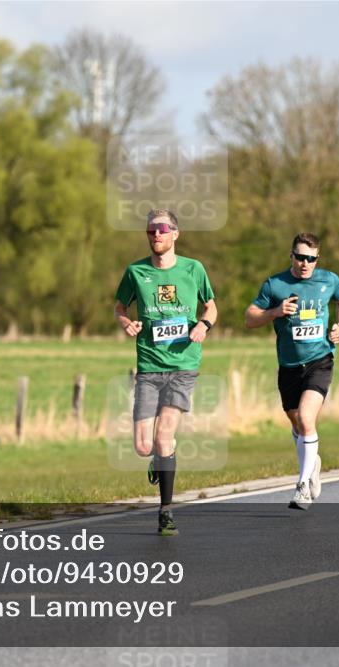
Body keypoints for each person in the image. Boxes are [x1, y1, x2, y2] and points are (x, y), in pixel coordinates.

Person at [114, 209, 217, 535]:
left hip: (183, 366)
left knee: (164, 436)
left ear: (175, 233)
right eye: (150, 230)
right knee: (145, 446)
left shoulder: (193, 269)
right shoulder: (136, 272)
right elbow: (119, 306)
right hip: (148, 366)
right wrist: (127, 322)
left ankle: (166, 511)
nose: (155, 234)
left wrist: (204, 324)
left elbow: (211, 305)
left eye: (161, 229)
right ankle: (159, 458)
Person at [244, 232, 339, 510]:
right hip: (289, 366)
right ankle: (312, 463)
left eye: (311, 259)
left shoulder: (328, 280)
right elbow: (249, 318)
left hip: (320, 360)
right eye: (301, 257)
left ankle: (302, 485)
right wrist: (275, 312)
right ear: (291, 255)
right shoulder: (275, 284)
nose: (306, 263)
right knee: (298, 425)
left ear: (318, 259)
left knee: (307, 419)